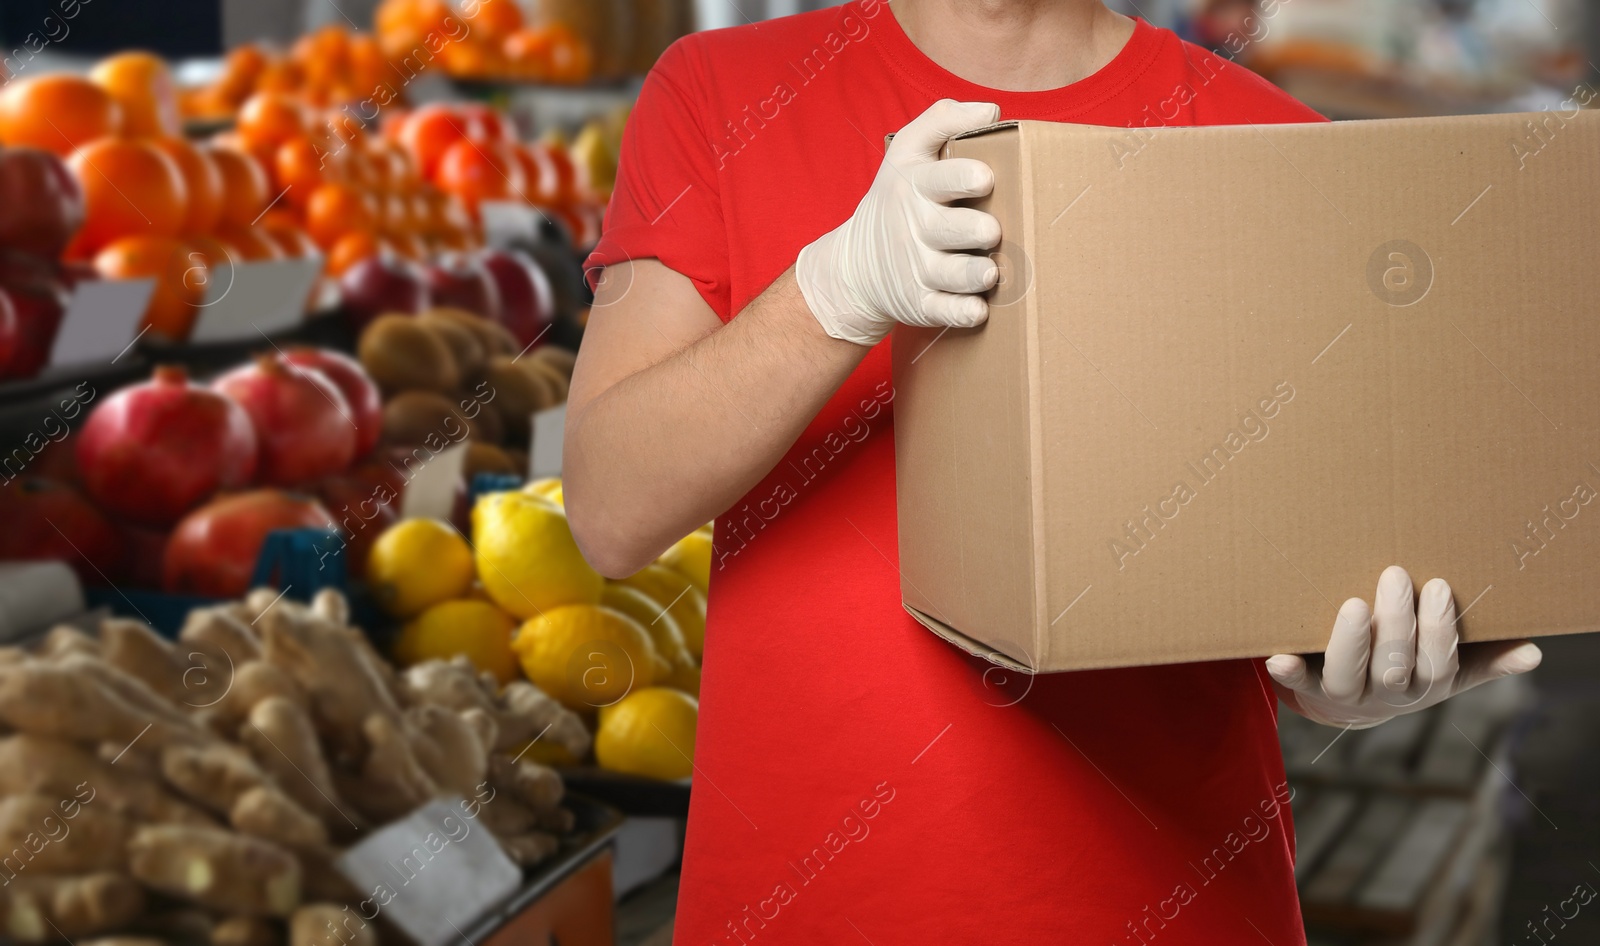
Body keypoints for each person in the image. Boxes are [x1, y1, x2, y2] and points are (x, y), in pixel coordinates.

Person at [565, 1, 1544, 942]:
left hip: (1166, 906)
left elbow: (1314, 538)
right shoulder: (721, 92)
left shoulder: (1263, 143)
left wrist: (1346, 675)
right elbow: (611, 513)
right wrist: (832, 291)